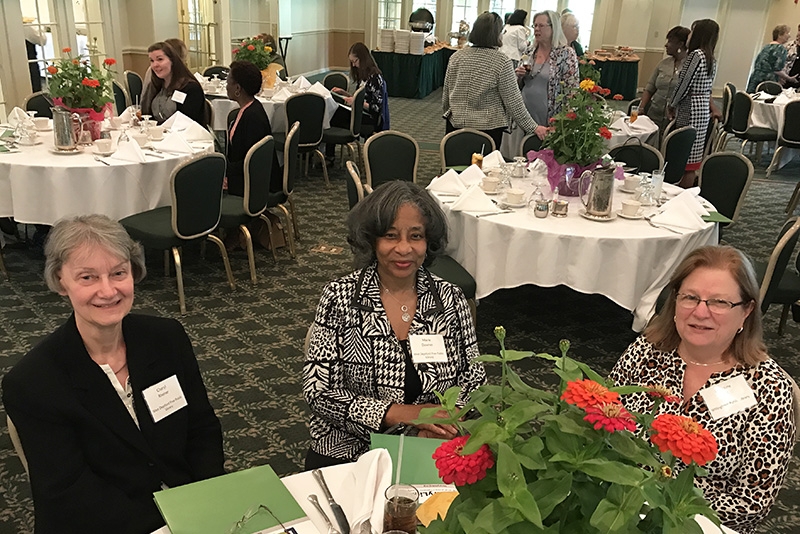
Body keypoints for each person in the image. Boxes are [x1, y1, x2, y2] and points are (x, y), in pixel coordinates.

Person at [2, 214, 224, 533]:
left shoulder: (167, 339)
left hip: (189, 508)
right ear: (61, 281)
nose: (107, 291)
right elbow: (70, 491)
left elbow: (202, 428)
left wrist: (206, 501)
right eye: (88, 277)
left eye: (118, 273)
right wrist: (170, 525)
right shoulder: (34, 383)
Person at [609, 246, 795, 534]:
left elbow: (752, 504)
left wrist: (659, 503)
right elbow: (605, 417)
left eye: (719, 302)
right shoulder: (647, 351)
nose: (700, 312)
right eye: (690, 297)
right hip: (618, 505)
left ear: (746, 311)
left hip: (699, 524)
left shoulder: (769, 388)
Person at [303, 181, 487, 469]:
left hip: (436, 445)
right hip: (352, 447)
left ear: (428, 241)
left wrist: (447, 423)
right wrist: (406, 415)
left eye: (416, 236)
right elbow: (320, 392)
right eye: (390, 236)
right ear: (372, 240)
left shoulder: (450, 299)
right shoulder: (340, 297)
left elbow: (475, 381)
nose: (404, 248)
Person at [443, 11, 540, 150]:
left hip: (455, 125)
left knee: (455, 162)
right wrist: (533, 127)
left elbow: (446, 95)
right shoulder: (501, 62)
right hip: (488, 129)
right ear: (497, 34)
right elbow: (513, 101)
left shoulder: (456, 57)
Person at [503, 10, 578, 157]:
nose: (536, 29)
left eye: (541, 26)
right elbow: (518, 84)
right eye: (535, 25)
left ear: (553, 28)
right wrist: (519, 75)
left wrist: (561, 121)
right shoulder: (530, 50)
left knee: (542, 159)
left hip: (549, 116)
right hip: (524, 113)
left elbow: (572, 90)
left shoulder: (565, 54)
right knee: (520, 156)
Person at [668, 19, 720, 188]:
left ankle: (682, 192)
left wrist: (672, 103)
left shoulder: (696, 55)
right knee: (693, 157)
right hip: (702, 107)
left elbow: (684, 83)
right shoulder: (711, 57)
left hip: (690, 108)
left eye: (692, 31)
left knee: (685, 156)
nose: (689, 35)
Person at [326, 42, 389, 162]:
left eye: (355, 61)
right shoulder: (364, 75)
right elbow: (359, 97)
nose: (354, 65)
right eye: (352, 62)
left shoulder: (375, 78)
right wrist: (344, 93)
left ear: (363, 59)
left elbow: (376, 107)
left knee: (335, 115)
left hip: (370, 117)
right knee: (335, 111)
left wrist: (356, 102)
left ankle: (329, 155)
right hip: (360, 112)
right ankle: (329, 153)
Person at [224, 60, 276, 197]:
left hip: (252, 182)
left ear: (237, 88)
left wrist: (223, 170)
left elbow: (253, 160)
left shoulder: (253, 117)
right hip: (245, 174)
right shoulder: (249, 108)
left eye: (228, 83)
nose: (226, 86)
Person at [640, 26, 690, 139]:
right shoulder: (663, 64)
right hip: (654, 115)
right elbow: (649, 87)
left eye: (670, 41)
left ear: (680, 44)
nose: (666, 45)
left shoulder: (689, 66)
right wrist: (641, 108)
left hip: (675, 120)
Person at [141, 41, 205, 125]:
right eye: (152, 60)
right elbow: (147, 115)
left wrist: (156, 127)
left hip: (184, 132)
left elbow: (186, 123)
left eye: (160, 59)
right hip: (156, 132)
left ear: (172, 61)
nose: (155, 65)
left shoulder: (190, 88)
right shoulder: (155, 86)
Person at [746, 24, 798, 92]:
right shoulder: (781, 49)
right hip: (767, 82)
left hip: (754, 79)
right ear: (780, 35)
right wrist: (789, 78)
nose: (789, 36)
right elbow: (777, 69)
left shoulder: (766, 47)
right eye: (787, 33)